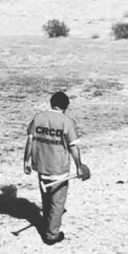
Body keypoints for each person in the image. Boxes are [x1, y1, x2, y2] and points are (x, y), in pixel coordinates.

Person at [24, 91, 84, 245]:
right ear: (66, 106)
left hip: (41, 166)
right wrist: (79, 166)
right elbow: (73, 147)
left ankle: (46, 224)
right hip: (59, 169)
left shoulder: (38, 118)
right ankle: (52, 235)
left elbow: (30, 140)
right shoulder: (66, 121)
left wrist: (26, 161)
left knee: (46, 199)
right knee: (57, 204)